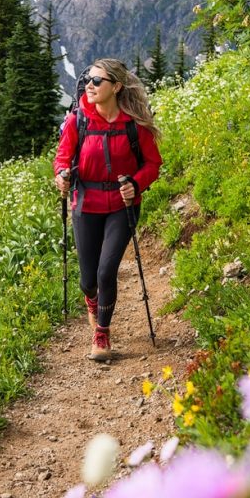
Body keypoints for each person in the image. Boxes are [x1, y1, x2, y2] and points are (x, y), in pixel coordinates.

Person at [54, 58, 162, 361]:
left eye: (98, 81)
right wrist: (62, 175)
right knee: (88, 281)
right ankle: (93, 302)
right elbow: (62, 157)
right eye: (89, 79)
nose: (90, 85)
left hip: (121, 205)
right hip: (86, 203)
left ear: (115, 87)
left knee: (105, 271)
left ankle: (101, 334)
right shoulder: (79, 121)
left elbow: (153, 164)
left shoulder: (134, 126)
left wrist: (136, 184)